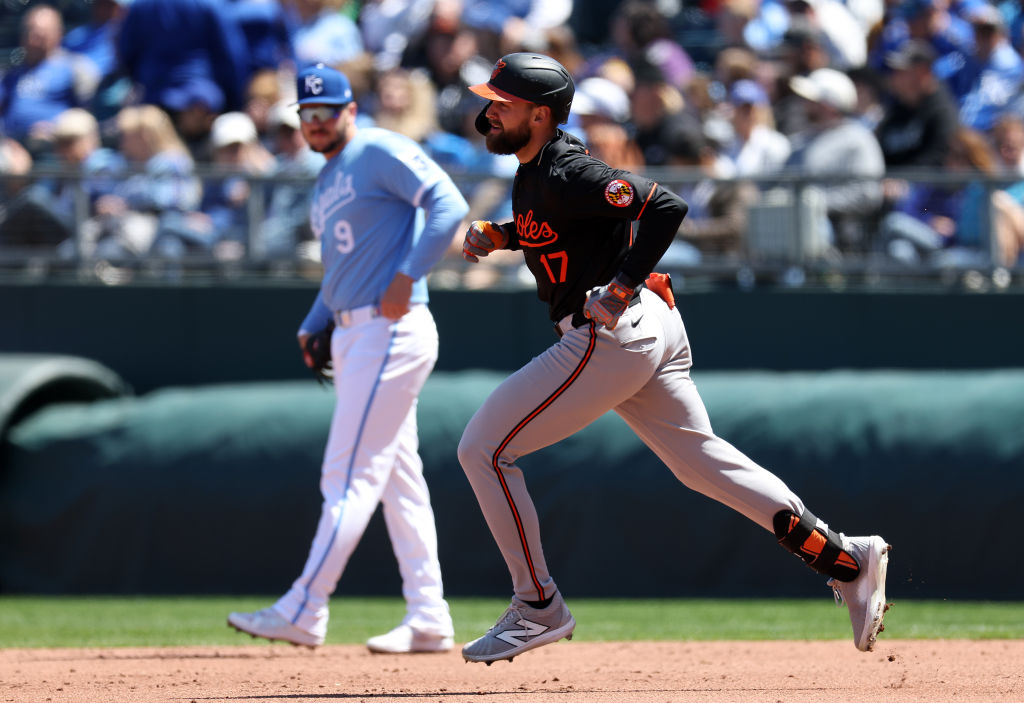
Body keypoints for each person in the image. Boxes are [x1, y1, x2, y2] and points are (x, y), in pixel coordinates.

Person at [455, 52, 891, 665]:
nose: (488, 110)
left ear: (541, 114)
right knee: (701, 463)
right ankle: (846, 559)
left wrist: (623, 284)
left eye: (502, 102)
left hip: (610, 332)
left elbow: (665, 205)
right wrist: (504, 234)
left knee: (484, 449)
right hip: (645, 330)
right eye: (491, 99)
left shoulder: (568, 168)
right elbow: (560, 225)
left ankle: (537, 607)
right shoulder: (537, 170)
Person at [227, 62, 469, 654]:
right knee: (397, 480)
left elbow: (448, 203)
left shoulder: (378, 149)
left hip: (391, 327)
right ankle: (429, 615)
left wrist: (409, 273)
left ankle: (305, 606)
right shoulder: (328, 178)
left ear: (350, 112)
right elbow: (343, 268)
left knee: (348, 475)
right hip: (357, 331)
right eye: (305, 114)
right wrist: (316, 322)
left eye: (325, 111)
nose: (314, 122)